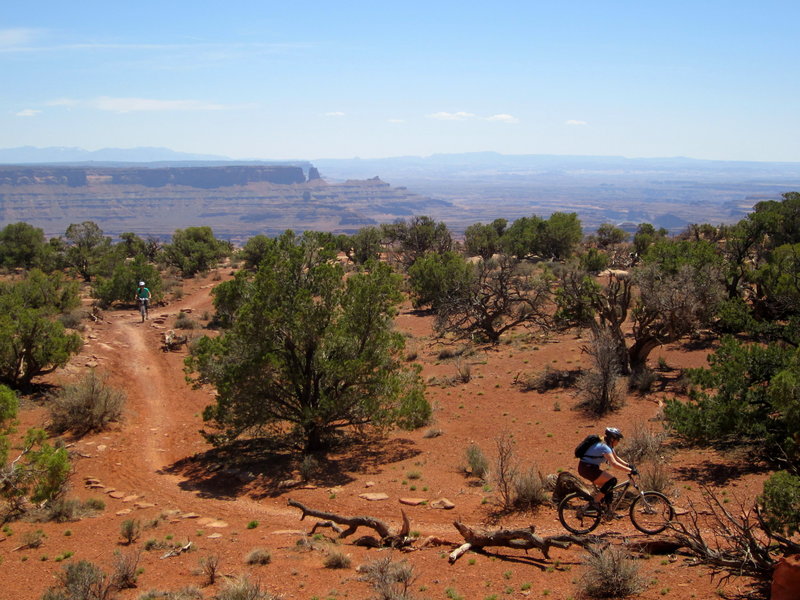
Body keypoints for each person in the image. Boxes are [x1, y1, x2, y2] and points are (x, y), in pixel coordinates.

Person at [578, 427, 637, 509]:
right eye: (618, 439)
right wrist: (630, 470)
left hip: (588, 468)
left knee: (608, 488)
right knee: (612, 481)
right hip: (588, 468)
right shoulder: (604, 447)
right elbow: (614, 463)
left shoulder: (607, 445)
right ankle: (594, 503)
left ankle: (608, 510)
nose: (618, 441)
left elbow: (616, 458)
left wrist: (628, 465)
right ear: (612, 439)